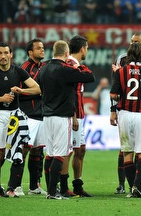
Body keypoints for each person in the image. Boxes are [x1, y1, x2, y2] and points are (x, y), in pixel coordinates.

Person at [0, 42, 41, 197]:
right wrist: (1, 98)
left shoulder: (18, 71)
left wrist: (21, 90)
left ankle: (12, 188)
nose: (3, 56)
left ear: (11, 54)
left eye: (6, 53)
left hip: (15, 116)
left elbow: (37, 88)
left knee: (18, 152)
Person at [38, 40, 95, 200]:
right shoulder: (66, 70)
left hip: (47, 116)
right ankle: (52, 192)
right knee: (60, 154)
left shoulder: (44, 68)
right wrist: (80, 67)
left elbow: (39, 88)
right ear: (66, 53)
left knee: (49, 154)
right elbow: (90, 77)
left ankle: (51, 190)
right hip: (62, 116)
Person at [110, 42, 141, 198]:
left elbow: (113, 96)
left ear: (128, 55)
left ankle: (132, 188)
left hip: (124, 114)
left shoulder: (121, 71)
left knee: (127, 153)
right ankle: (137, 185)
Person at [63, 35, 93, 197]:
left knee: (80, 149)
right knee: (69, 150)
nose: (87, 50)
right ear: (82, 48)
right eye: (87, 47)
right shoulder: (70, 66)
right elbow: (69, 93)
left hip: (80, 115)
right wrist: (73, 115)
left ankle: (77, 185)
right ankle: (64, 186)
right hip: (73, 116)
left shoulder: (76, 65)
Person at [17, 38, 47, 196]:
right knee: (24, 149)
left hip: (41, 114)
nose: (42, 50)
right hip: (28, 114)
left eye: (43, 48)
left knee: (37, 151)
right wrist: (38, 91)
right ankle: (16, 185)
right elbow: (19, 91)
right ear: (30, 52)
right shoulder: (24, 68)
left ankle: (34, 187)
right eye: (39, 48)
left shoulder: (44, 66)